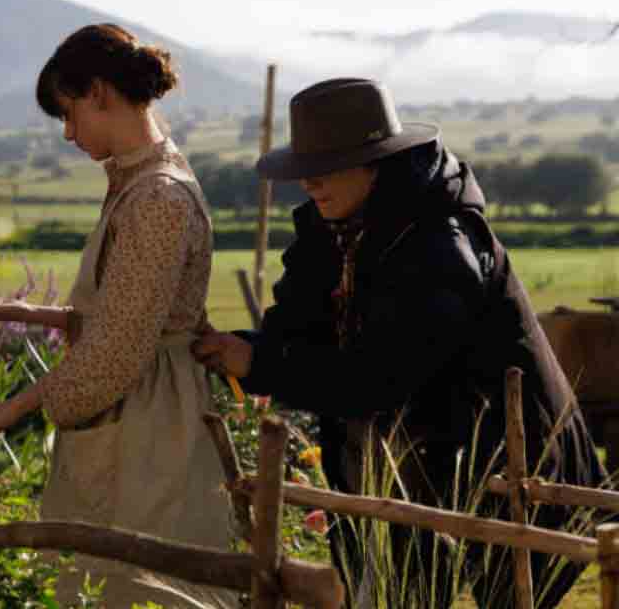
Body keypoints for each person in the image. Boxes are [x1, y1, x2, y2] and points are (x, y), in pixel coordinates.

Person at [192, 77, 606, 609]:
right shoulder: (333, 228)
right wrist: (246, 352)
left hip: (504, 470)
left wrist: (263, 361)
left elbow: (382, 378)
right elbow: (293, 331)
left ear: (375, 162)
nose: (312, 185)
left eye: (327, 168)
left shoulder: (439, 245)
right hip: (404, 463)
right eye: (306, 173)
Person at [0, 23, 237, 609]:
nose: (68, 132)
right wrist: (38, 313)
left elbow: (117, 352)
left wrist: (11, 408)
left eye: (69, 112)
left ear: (100, 93)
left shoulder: (156, 197)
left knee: (139, 585)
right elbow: (128, 312)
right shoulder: (138, 183)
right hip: (141, 410)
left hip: (150, 426)